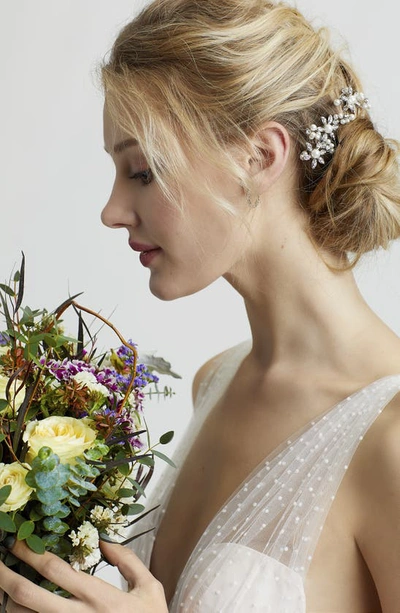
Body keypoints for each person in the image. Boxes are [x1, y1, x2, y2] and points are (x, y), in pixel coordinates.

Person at [1, 0, 400, 610]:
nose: (111, 211)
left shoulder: (390, 439)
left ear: (260, 157)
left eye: (141, 171)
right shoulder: (216, 380)